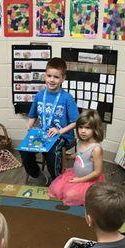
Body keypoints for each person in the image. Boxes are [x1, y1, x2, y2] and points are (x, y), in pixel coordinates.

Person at [20, 57, 79, 186]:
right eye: (49, 76)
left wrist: (60, 131)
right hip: (43, 134)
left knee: (51, 150)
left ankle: (56, 180)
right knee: (24, 150)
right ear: (45, 76)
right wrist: (29, 124)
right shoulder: (40, 95)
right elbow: (32, 116)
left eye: (56, 77)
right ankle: (37, 175)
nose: (52, 80)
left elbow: (76, 122)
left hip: (62, 135)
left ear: (63, 79)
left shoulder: (67, 98)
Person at [48, 110, 105, 206]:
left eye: (87, 128)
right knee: (57, 189)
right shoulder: (80, 141)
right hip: (75, 174)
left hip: (88, 180)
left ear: (95, 129)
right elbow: (80, 154)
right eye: (80, 127)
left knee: (70, 195)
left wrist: (79, 180)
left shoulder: (96, 149)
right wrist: (70, 156)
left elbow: (97, 172)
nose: (83, 131)